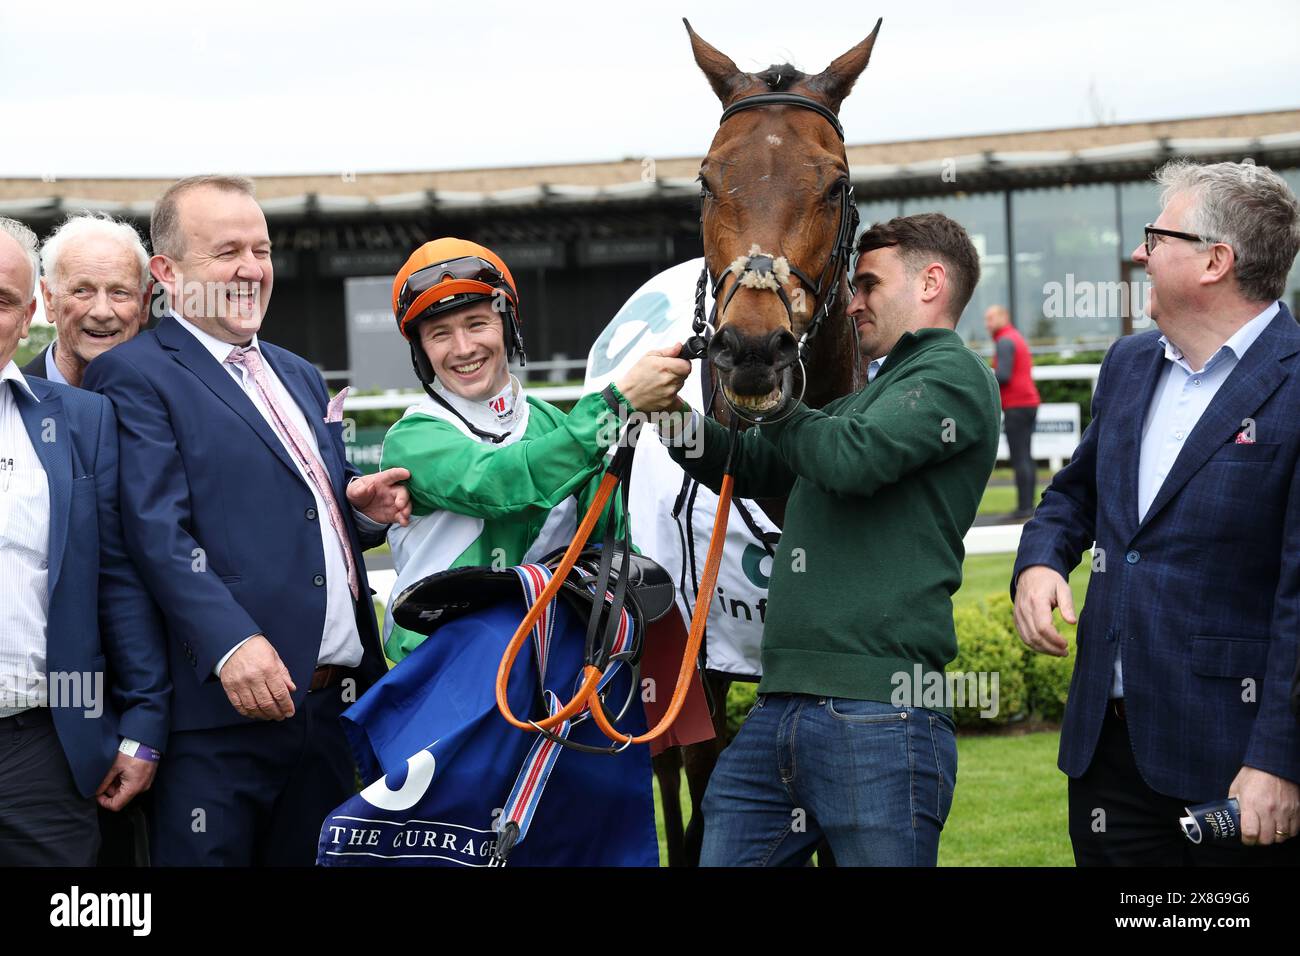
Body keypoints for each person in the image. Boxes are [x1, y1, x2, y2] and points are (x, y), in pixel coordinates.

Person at [82, 175, 411, 866]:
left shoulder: (297, 373)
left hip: (328, 710)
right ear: (168, 273)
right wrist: (232, 644)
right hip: (221, 722)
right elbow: (155, 530)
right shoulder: (135, 374)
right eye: (227, 250)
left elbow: (291, 502)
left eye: (261, 249)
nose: (252, 268)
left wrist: (355, 507)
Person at [654, 213, 1000, 866]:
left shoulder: (953, 373)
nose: (853, 302)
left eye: (868, 285)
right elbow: (747, 466)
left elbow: (851, 460)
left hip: (880, 712)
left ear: (931, 282)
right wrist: (663, 413)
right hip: (781, 705)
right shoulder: (865, 397)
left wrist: (770, 391)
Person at [1012, 160, 1300, 866]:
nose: (1139, 253)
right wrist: (1041, 561)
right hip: (1106, 762)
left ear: (1215, 260)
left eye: (1155, 235)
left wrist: (1279, 760)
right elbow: (1073, 496)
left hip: (1234, 770)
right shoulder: (1130, 364)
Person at [379, 237, 688, 661]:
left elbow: (613, 547)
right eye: (440, 334)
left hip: (555, 669)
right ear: (421, 350)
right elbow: (507, 485)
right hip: (440, 672)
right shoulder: (413, 437)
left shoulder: (557, 424)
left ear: (508, 325)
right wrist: (617, 404)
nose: (464, 348)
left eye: (476, 323)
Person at [0, 217, 168, 865]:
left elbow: (115, 579)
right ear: (54, 301)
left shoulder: (78, 419)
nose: (102, 311)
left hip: (43, 751)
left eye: (3, 301)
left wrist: (144, 725)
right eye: (83, 291)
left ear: (26, 313)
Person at [22, 213, 151, 387]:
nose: (102, 312)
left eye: (119, 293)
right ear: (49, 298)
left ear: (145, 302)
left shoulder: (172, 405)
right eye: (82, 291)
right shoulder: (7, 399)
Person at [985, 304, 1040, 518]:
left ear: (1003, 317)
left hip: (1018, 405)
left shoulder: (1005, 340)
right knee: (1025, 456)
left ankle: (1024, 507)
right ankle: (1029, 505)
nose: (987, 324)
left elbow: (1004, 375)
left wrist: (984, 379)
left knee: (1020, 458)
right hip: (1027, 404)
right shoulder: (1014, 337)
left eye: (990, 319)